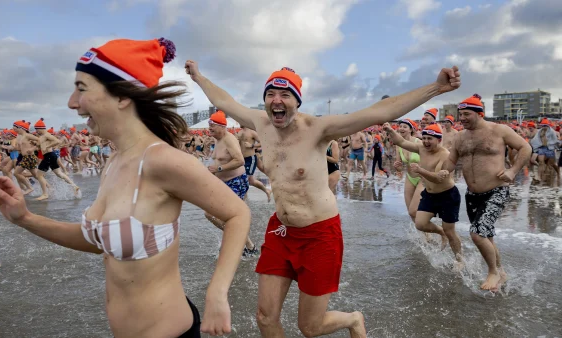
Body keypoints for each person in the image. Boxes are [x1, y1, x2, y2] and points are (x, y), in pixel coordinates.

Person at [0, 37, 251, 337]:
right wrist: (25, 219)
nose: (72, 102)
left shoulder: (162, 161)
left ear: (123, 96)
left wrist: (217, 293)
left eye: (82, 89)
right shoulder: (114, 160)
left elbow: (237, 214)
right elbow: (100, 241)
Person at [186, 59, 460, 337]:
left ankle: (353, 319)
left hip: (319, 234)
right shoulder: (260, 123)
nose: (276, 100)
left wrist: (436, 88)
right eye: (270, 94)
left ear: (297, 101)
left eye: (285, 95)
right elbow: (225, 100)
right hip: (281, 230)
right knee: (265, 318)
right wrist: (199, 77)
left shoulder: (318, 129)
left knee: (310, 327)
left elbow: (378, 112)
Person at [443, 94, 531, 292]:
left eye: (466, 114)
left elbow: (525, 147)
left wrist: (513, 171)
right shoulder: (460, 137)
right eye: (460, 114)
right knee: (487, 236)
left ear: (479, 113)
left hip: (496, 191)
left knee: (477, 234)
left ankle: (493, 272)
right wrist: (442, 170)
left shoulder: (498, 130)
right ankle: (501, 270)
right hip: (472, 194)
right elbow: (451, 161)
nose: (462, 118)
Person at [384, 123, 463, 268]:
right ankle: (441, 233)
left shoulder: (444, 154)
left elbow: (438, 178)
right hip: (430, 194)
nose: (426, 142)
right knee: (420, 224)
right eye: (424, 138)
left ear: (438, 140)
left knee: (450, 231)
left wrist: (420, 171)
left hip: (447, 195)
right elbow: (401, 142)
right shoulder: (421, 148)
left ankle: (459, 260)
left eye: (430, 139)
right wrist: (390, 130)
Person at [205, 111, 258, 256]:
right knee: (210, 214)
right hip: (223, 183)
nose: (209, 129)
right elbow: (217, 160)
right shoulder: (217, 139)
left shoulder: (229, 139)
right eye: (209, 126)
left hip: (236, 182)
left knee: (227, 215)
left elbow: (239, 160)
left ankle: (243, 243)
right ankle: (246, 243)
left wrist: (219, 168)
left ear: (222, 126)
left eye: (212, 126)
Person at [34, 118, 81, 200]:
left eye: (37, 129)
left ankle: (45, 194)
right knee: (59, 174)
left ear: (41, 128)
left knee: (39, 175)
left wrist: (48, 146)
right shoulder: (43, 136)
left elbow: (57, 141)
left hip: (49, 155)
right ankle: (74, 186)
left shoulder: (46, 134)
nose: (36, 131)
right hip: (50, 155)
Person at [237, 126, 272, 202]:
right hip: (242, 160)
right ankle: (266, 190)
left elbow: (263, 142)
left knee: (244, 180)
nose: (238, 122)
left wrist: (252, 146)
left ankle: (242, 201)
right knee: (251, 181)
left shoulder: (252, 132)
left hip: (250, 158)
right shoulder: (239, 132)